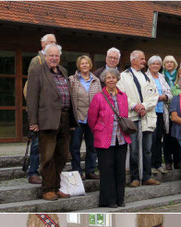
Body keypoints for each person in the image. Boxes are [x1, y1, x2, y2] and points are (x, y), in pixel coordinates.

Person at [27, 44, 78, 201]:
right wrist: (33, 122)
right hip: (46, 119)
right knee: (48, 156)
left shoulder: (62, 71)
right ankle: (47, 189)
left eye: (57, 55)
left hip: (64, 118)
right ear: (45, 56)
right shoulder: (37, 71)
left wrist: (70, 120)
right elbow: (32, 97)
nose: (54, 58)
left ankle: (56, 187)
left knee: (62, 155)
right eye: (51, 55)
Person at [88, 68, 131, 207]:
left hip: (121, 138)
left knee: (120, 170)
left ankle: (120, 199)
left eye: (113, 77)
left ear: (117, 79)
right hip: (104, 138)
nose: (111, 80)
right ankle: (109, 200)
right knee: (107, 170)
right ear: (104, 80)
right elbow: (92, 118)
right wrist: (99, 132)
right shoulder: (99, 97)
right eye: (108, 78)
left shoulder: (123, 96)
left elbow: (125, 115)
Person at [117, 50, 160, 187]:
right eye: (141, 59)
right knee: (134, 149)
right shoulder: (123, 77)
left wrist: (144, 107)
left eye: (144, 58)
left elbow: (154, 96)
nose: (144, 61)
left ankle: (147, 176)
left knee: (147, 149)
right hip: (133, 117)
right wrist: (135, 106)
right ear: (133, 60)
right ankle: (135, 177)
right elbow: (121, 95)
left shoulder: (148, 78)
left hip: (146, 117)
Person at [26, 33, 57, 185]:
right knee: (37, 144)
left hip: (51, 113)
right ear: (43, 45)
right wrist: (33, 117)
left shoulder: (56, 64)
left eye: (55, 42)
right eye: (51, 42)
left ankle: (46, 172)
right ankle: (32, 172)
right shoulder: (36, 61)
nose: (54, 44)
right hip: (39, 112)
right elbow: (32, 88)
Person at [69, 55, 101, 180]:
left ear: (90, 65)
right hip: (78, 118)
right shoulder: (72, 80)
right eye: (82, 63)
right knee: (75, 146)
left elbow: (99, 99)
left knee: (92, 146)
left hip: (92, 119)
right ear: (78, 65)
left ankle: (90, 170)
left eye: (86, 63)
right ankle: (77, 170)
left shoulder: (96, 80)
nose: (84, 65)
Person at [146, 55, 173, 174]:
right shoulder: (145, 77)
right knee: (151, 139)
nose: (156, 66)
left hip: (162, 112)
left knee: (158, 138)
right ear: (149, 65)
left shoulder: (162, 78)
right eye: (153, 64)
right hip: (150, 112)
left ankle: (158, 164)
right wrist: (156, 97)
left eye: (158, 64)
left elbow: (169, 93)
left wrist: (165, 97)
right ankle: (150, 165)